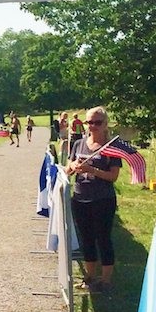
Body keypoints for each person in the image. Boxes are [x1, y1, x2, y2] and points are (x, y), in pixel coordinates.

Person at [64, 105, 121, 293]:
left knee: (103, 238)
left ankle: (105, 280)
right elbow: (68, 170)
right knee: (86, 238)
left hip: (102, 200)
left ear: (105, 124)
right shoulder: (79, 143)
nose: (92, 126)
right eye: (89, 122)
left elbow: (113, 176)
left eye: (97, 122)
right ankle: (90, 277)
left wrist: (92, 170)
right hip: (80, 198)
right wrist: (72, 165)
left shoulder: (111, 147)